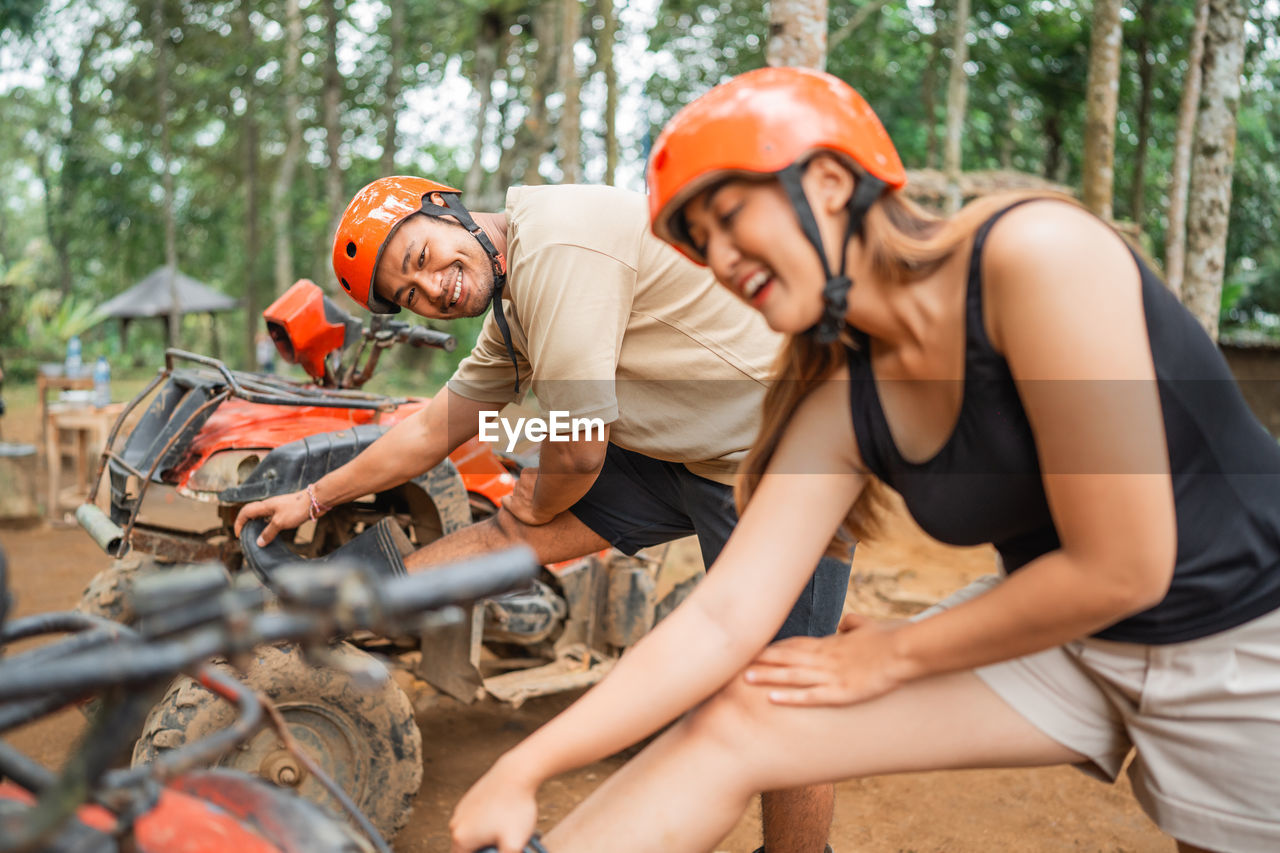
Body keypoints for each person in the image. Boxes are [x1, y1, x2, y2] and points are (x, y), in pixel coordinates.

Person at [447, 67, 1280, 853]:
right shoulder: (836, 397)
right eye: (700, 242)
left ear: (831, 183)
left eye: (729, 216)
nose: (723, 260)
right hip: (1067, 636)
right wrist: (524, 767)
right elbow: (723, 617)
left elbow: (1126, 567)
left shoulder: (1036, 253)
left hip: (1239, 629)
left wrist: (896, 651)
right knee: (743, 716)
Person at [234, 175, 852, 853]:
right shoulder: (514, 310)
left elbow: (578, 454)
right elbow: (430, 429)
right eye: (411, 295)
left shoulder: (560, 242)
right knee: (510, 526)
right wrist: (313, 497)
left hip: (784, 452)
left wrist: (538, 491)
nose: (434, 290)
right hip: (685, 451)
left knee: (779, 689)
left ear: (444, 206)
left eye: (420, 260)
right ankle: (346, 595)